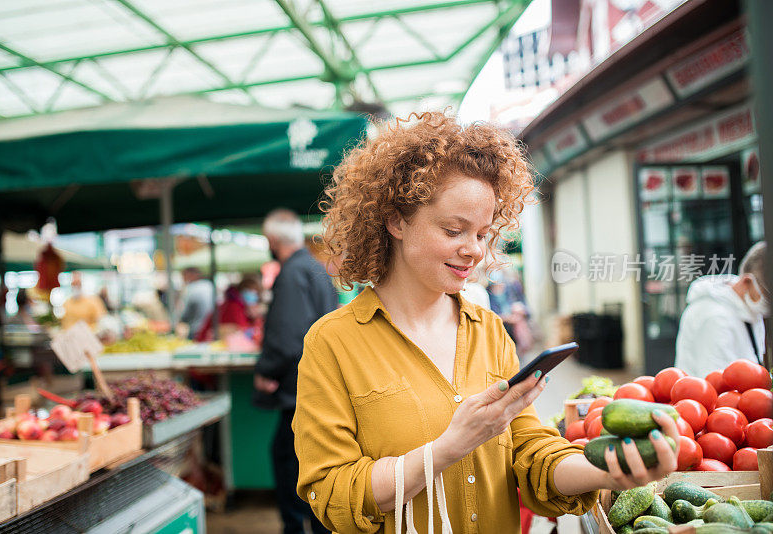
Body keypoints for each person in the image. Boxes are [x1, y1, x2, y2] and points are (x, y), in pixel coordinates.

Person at [292, 112, 679, 533]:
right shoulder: (332, 343)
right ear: (396, 220)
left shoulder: (489, 331)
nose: (473, 251)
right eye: (454, 230)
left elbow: (531, 453)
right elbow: (331, 494)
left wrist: (608, 471)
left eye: (481, 234)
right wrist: (449, 447)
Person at [253, 208, 338, 534]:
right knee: (307, 461)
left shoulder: (290, 274)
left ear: (273, 240)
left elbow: (288, 338)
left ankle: (296, 527)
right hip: (316, 384)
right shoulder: (316, 270)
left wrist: (267, 371)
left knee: (289, 461)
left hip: (296, 386)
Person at [675, 242, 768, 377]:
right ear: (746, 281)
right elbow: (717, 382)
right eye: (767, 297)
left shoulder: (747, 309)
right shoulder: (714, 316)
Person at [176, 267, 214, 340]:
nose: (183, 279)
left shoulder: (191, 289)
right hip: (211, 330)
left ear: (191, 275)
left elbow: (183, 313)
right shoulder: (210, 285)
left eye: (184, 276)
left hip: (196, 331)